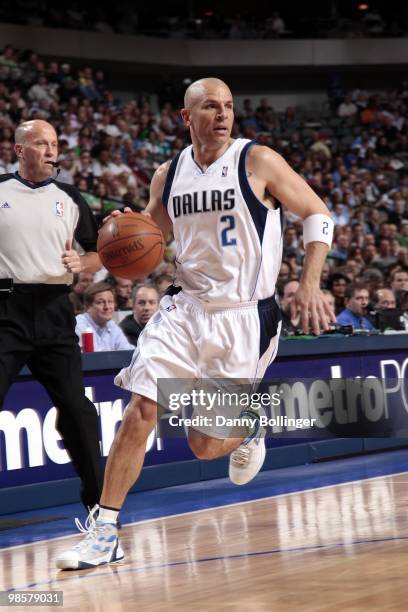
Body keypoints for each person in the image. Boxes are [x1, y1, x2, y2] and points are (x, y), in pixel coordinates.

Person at [56, 77, 334, 570]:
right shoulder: (169, 173)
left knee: (205, 445)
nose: (223, 114)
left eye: (228, 106)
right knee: (141, 409)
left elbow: (317, 215)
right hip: (184, 309)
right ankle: (105, 530)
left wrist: (310, 283)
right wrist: (99, 256)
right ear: (188, 117)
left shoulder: (258, 160)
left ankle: (250, 427)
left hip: (244, 316)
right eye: (210, 106)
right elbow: (149, 236)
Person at [0, 119, 104, 512]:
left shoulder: (70, 196)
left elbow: (96, 253)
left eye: (55, 143)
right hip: (5, 309)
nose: (50, 150)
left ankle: (99, 507)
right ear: (19, 150)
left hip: (55, 310)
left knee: (77, 409)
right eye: (40, 143)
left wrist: (82, 261)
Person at [75, 282, 134, 351]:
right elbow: (94, 357)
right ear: (87, 307)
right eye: (100, 302)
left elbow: (128, 351)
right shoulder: (79, 324)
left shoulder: (111, 325)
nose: (107, 307)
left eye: (110, 301)